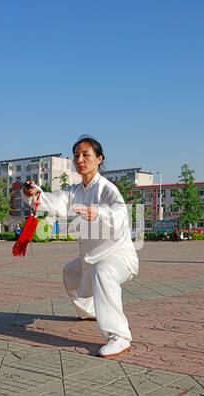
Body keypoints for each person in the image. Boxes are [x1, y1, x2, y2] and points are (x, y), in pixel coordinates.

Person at [21, 136, 139, 358]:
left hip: (119, 257)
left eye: (86, 155)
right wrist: (33, 193)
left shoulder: (107, 189)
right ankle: (88, 312)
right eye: (76, 155)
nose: (80, 159)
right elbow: (52, 201)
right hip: (91, 258)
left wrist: (98, 213)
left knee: (104, 273)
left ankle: (120, 336)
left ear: (99, 158)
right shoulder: (74, 191)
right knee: (70, 271)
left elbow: (121, 216)